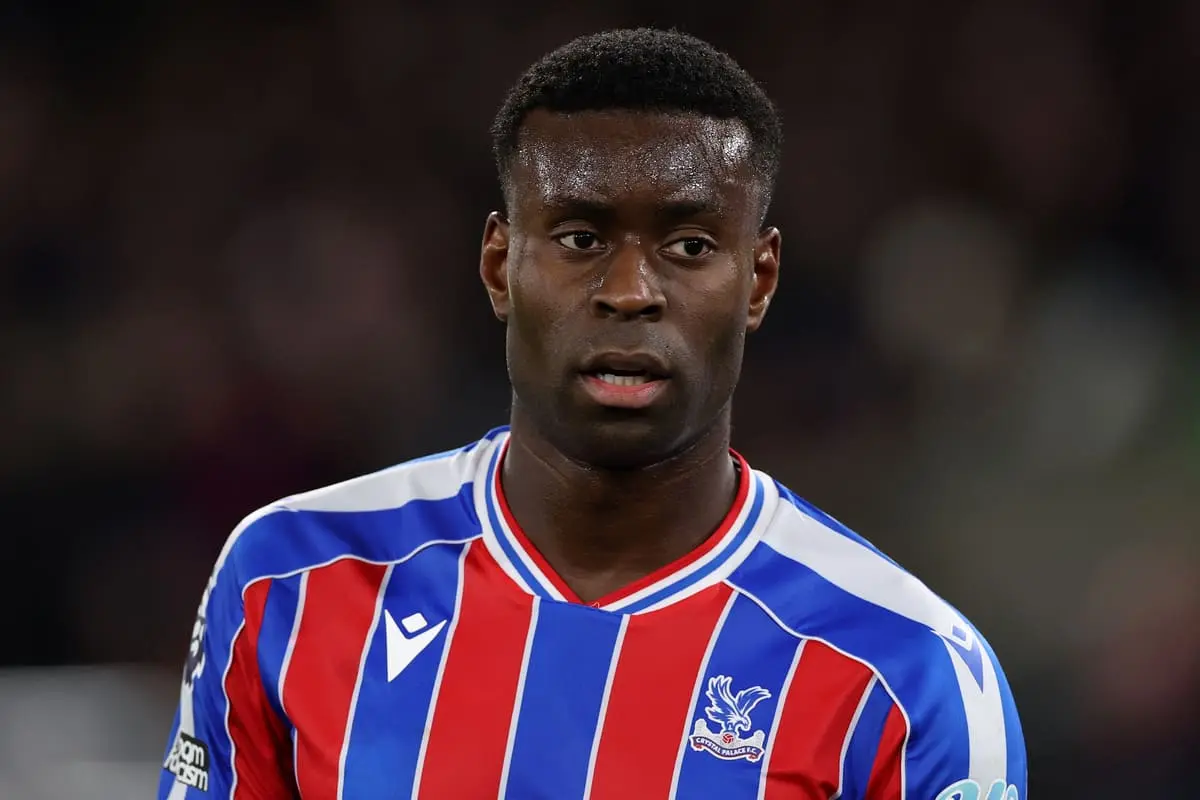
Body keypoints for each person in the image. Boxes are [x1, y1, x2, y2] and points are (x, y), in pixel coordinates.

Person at [159, 28, 1026, 800]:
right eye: (579, 239)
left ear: (757, 281)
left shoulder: (904, 673)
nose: (629, 292)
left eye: (689, 246)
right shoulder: (293, 581)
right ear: (500, 265)